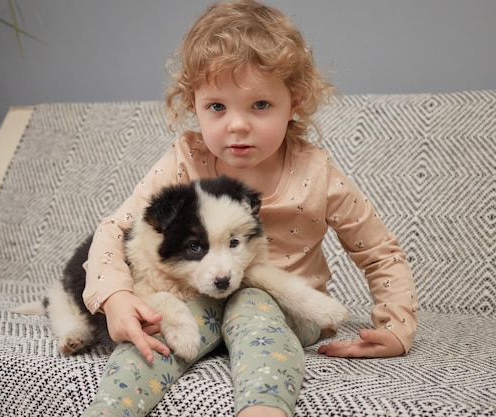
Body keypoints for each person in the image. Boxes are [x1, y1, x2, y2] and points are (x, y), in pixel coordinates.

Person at [81, 1, 418, 416]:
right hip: (197, 297)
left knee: (252, 303)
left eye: (260, 105)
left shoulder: (316, 171)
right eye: (217, 107)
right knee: (154, 324)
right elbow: (115, 228)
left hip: (288, 305)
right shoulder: (186, 158)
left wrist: (396, 326)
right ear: (193, 104)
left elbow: (380, 250)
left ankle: (263, 410)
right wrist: (113, 297)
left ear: (294, 102)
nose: (237, 125)